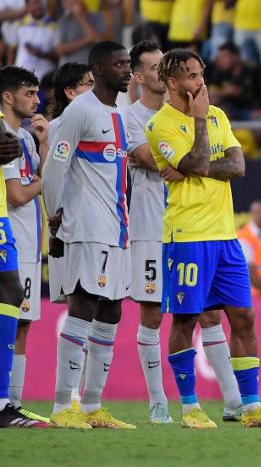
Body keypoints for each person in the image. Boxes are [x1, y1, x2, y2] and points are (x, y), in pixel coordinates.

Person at [146, 49, 261, 428]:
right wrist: (197, 129)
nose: (201, 82)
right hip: (188, 235)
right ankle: (191, 407)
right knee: (186, 319)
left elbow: (238, 167)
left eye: (201, 73)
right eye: (193, 76)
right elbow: (195, 163)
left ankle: (251, 407)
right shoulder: (161, 124)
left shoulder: (218, 115)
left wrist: (197, 167)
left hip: (225, 235)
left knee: (243, 317)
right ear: (173, 82)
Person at [121, 42, 243, 425]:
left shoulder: (208, 115)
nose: (160, 71)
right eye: (154, 66)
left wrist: (189, 166)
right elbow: (152, 160)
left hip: (199, 225)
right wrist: (179, 164)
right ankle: (159, 400)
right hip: (149, 224)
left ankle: (234, 401)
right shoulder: (133, 118)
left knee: (209, 315)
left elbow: (206, 165)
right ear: (142, 76)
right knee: (156, 312)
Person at [42, 41, 134, 429]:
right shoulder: (79, 111)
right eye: (119, 64)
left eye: (129, 63)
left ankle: (94, 404)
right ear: (98, 69)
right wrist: (54, 214)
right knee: (84, 305)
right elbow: (54, 166)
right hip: (87, 226)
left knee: (112, 309)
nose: (127, 70)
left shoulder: (118, 112)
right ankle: (64, 405)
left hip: (117, 228)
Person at [0, 67, 49, 426]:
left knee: (14, 300)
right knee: (12, 295)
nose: (37, 100)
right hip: (6, 223)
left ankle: (6, 402)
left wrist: (43, 146)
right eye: (29, 93)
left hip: (10, 228)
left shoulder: (24, 136)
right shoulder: (4, 131)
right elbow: (18, 193)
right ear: (7, 96)